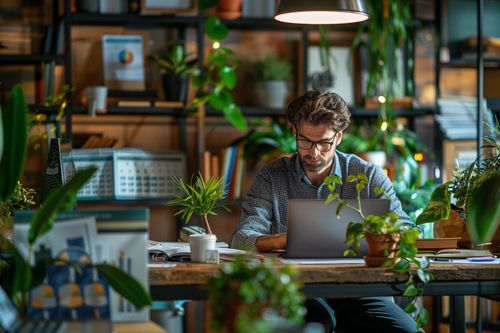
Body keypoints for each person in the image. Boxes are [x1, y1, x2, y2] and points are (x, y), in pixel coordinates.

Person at [231, 91, 418, 333]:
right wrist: (285, 241)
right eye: (305, 141)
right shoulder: (271, 177)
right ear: (295, 133)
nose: (313, 152)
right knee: (318, 324)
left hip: (363, 290)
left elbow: (407, 230)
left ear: (338, 137)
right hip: (300, 290)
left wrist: (381, 239)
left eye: (323, 143)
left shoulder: (368, 175)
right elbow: (241, 238)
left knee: (406, 330)